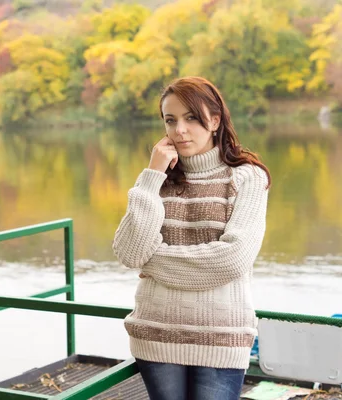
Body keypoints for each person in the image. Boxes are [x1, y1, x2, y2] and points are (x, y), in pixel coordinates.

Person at [112, 76, 271, 400]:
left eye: (190, 118)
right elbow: (129, 252)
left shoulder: (247, 176)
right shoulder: (158, 181)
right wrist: (152, 175)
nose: (179, 130)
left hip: (221, 336)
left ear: (214, 120)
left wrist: (152, 261)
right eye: (170, 120)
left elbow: (232, 259)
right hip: (156, 333)